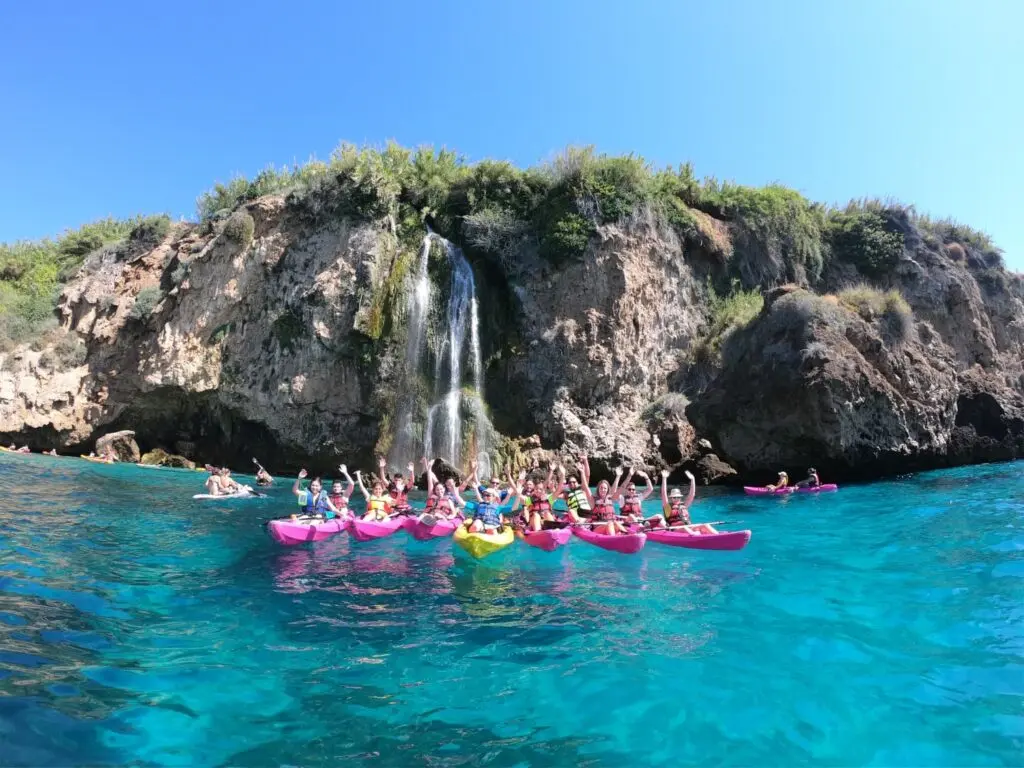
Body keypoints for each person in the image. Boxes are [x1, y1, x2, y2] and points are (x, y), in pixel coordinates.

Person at [560, 456, 594, 523]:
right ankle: (579, 523)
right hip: (576, 516)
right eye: (570, 483)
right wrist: (562, 475)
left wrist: (585, 460)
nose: (572, 484)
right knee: (571, 510)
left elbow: (587, 476)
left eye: (574, 482)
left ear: (578, 483)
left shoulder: (583, 489)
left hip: (586, 513)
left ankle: (583, 522)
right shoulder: (566, 495)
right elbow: (555, 494)